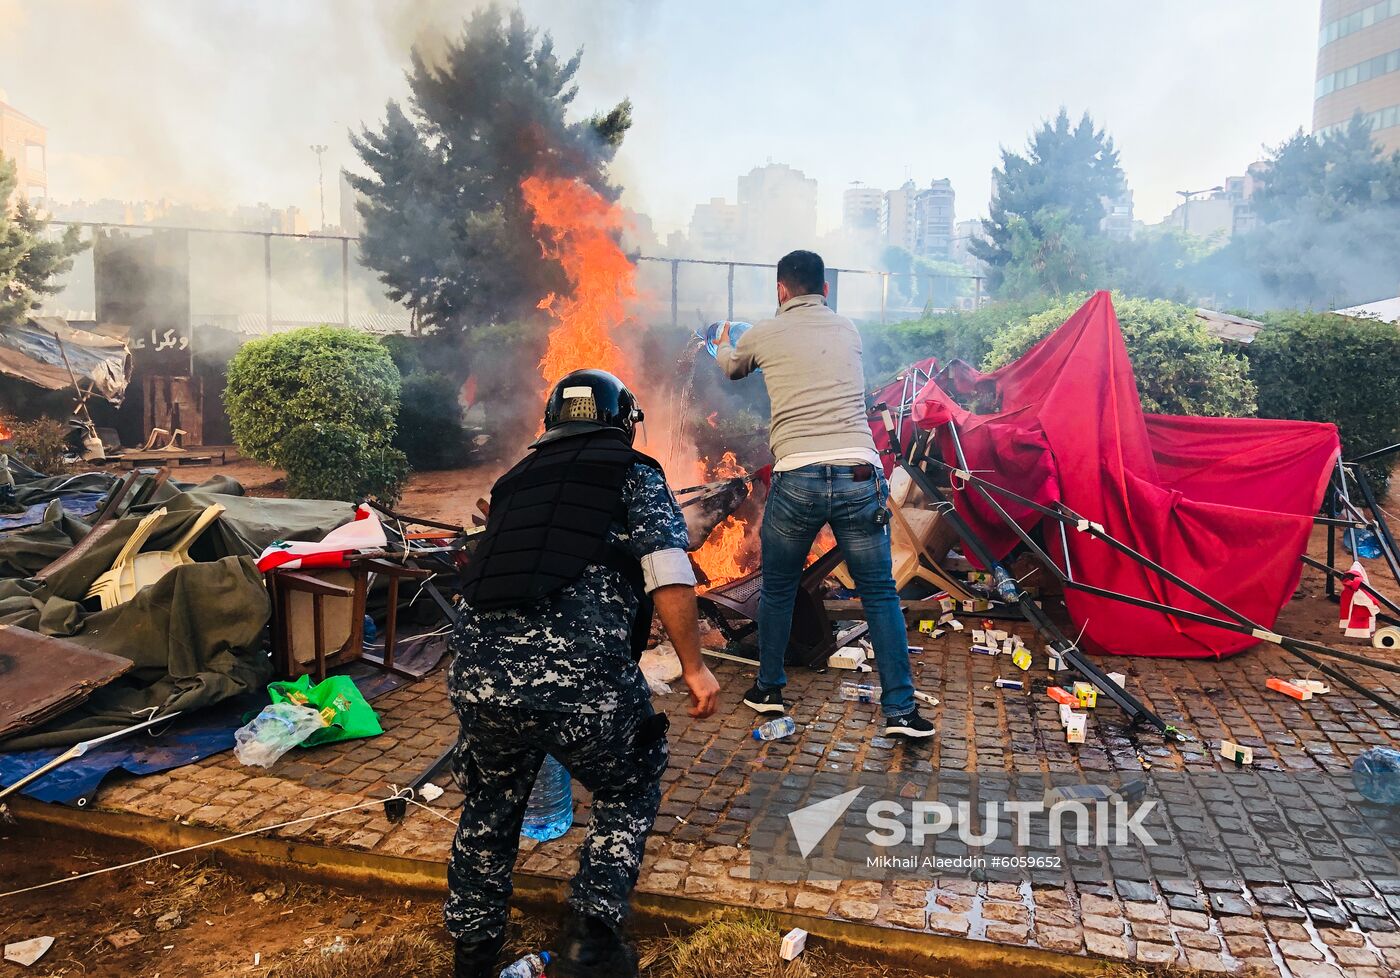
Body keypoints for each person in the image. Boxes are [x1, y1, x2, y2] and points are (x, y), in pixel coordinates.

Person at [445, 368, 721, 978]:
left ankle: (473, 953)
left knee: (491, 800)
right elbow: (668, 569)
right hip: (582, 677)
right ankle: (590, 942)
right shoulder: (635, 471)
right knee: (629, 784)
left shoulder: (514, 479)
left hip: (478, 674)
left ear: (550, 423)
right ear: (624, 420)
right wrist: (695, 667)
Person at [715, 249, 935, 740]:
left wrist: (723, 340)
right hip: (859, 473)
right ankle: (901, 712)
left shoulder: (764, 331)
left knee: (778, 588)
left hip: (798, 475)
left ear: (780, 290)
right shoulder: (848, 329)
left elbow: (731, 368)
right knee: (879, 593)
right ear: (826, 290)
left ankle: (769, 690)